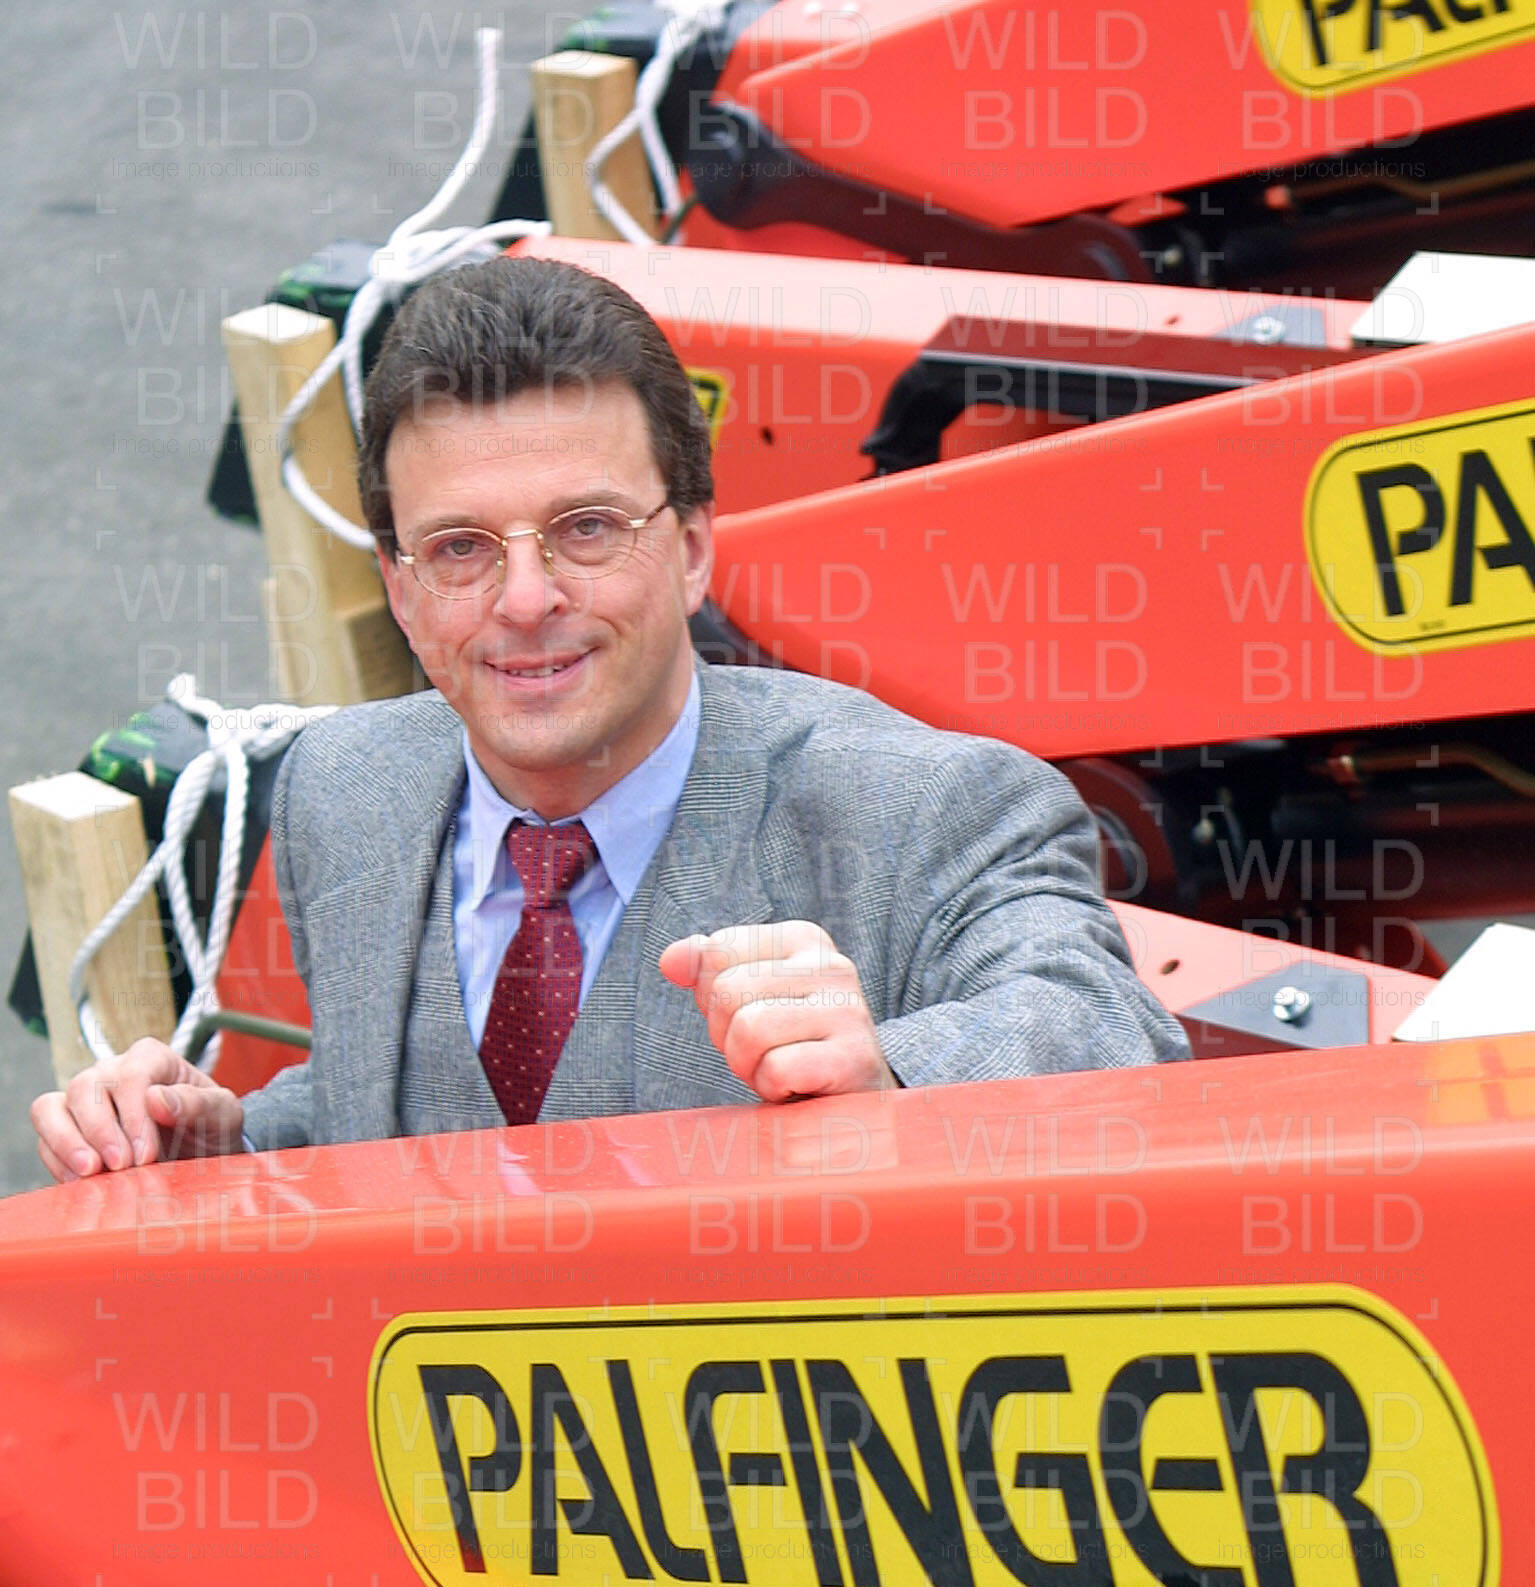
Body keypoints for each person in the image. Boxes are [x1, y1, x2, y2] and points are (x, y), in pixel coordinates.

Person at [32, 256, 1186, 1181]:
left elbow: (1114, 1038)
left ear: (690, 549)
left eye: (585, 528)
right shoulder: (340, 786)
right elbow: (382, 1113)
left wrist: (890, 1075)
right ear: (400, 590)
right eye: (459, 548)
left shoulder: (926, 805)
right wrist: (223, 1152)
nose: (525, 600)